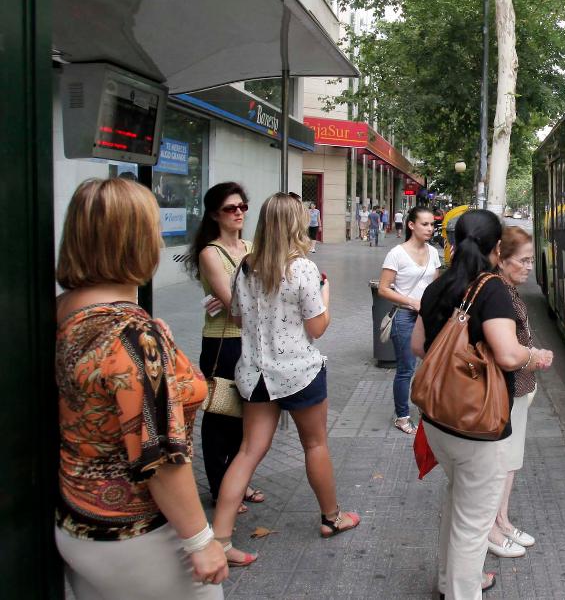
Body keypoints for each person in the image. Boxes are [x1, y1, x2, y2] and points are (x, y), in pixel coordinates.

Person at [55, 178, 228, 598]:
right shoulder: (134, 335)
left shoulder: (67, 309)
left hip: (80, 521)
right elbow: (161, 457)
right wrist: (201, 541)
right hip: (139, 536)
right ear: (138, 241)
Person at [212, 193, 360, 566]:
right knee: (315, 445)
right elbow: (318, 327)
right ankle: (331, 517)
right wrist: (327, 295)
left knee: (247, 452)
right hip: (300, 373)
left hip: (255, 375)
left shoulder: (245, 267)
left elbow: (237, 319)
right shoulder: (303, 269)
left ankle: (220, 540)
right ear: (298, 224)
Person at [411, 210, 553, 599]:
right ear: (494, 248)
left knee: (459, 504)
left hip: (439, 418)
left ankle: (450, 581)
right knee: (473, 522)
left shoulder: (437, 285)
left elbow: (418, 347)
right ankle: (463, 592)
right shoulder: (490, 289)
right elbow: (508, 355)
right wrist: (534, 356)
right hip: (478, 425)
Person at [184, 182, 265, 518]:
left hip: (252, 341)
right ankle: (220, 487)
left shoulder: (250, 246)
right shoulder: (210, 252)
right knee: (222, 418)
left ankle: (237, 478)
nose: (239, 213)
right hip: (222, 343)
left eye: (243, 207)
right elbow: (237, 308)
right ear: (215, 214)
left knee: (248, 418)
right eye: (231, 208)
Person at [488, 227, 542, 558]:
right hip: (507, 389)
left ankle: (503, 520)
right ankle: (493, 528)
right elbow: (507, 353)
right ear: (502, 259)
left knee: (511, 462)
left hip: (520, 386)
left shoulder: (509, 290)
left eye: (531, 260)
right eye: (523, 260)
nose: (529, 267)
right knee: (502, 462)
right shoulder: (500, 296)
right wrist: (534, 356)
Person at [378, 206, 441, 434]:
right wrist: (412, 302)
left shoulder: (433, 252)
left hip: (428, 317)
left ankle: (427, 407)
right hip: (404, 316)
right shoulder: (397, 253)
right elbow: (383, 289)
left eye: (432, 224)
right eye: (425, 224)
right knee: (406, 368)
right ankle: (402, 415)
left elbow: (434, 286)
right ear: (411, 225)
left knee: (431, 364)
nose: (430, 228)